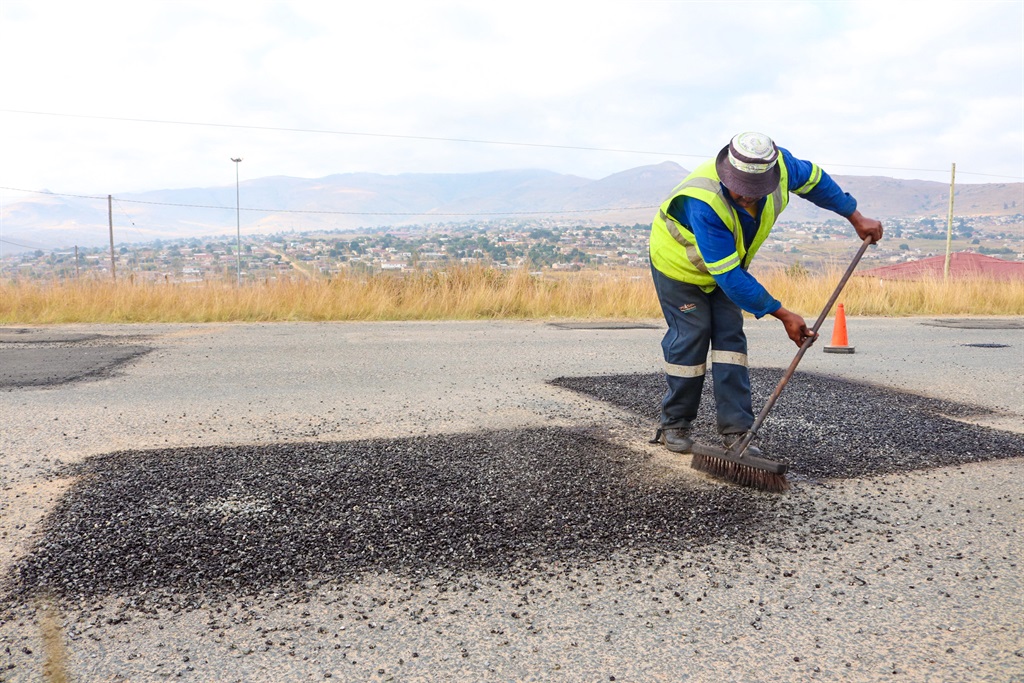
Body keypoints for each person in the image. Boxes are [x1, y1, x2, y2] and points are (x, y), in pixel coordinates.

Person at [649, 132, 883, 456]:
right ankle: (674, 423)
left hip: (727, 269)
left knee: (731, 340)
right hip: (678, 268)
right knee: (692, 335)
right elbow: (729, 277)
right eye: (740, 191)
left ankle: (736, 431)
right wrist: (782, 313)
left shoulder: (782, 166)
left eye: (754, 193)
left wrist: (855, 217)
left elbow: (815, 182)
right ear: (727, 174)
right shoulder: (702, 202)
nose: (746, 199)